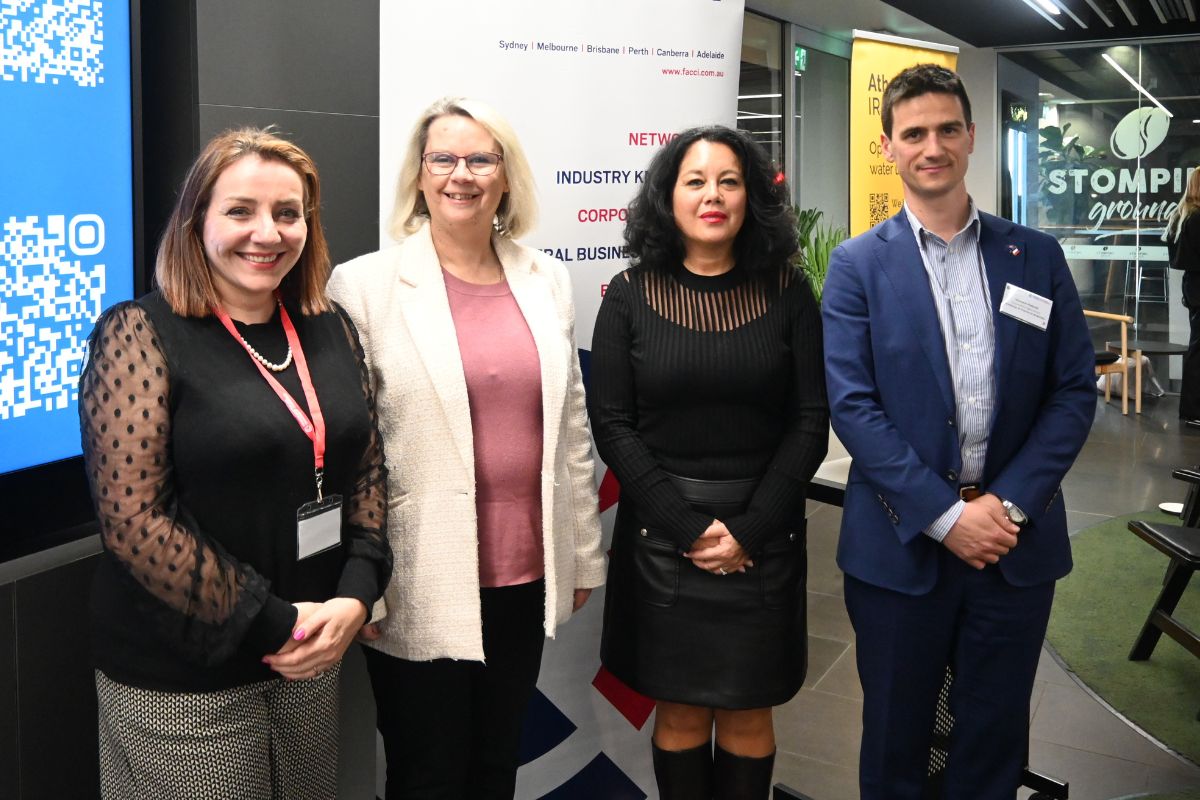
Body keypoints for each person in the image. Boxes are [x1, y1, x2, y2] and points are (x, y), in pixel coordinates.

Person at [79, 128, 393, 799]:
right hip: (186, 676)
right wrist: (277, 622)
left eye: (288, 213)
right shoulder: (139, 333)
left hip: (312, 650)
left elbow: (366, 467)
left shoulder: (331, 326)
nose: (267, 233)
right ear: (196, 222)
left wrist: (357, 592)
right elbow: (134, 523)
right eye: (240, 211)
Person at [822, 64, 1095, 798]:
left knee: (992, 740)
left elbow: (1073, 390)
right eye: (914, 134)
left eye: (947, 129)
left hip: (1013, 545)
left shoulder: (1035, 256)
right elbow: (853, 407)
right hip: (899, 547)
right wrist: (946, 518)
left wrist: (1006, 507)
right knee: (895, 739)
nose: (932, 147)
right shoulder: (856, 267)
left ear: (972, 136)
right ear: (889, 147)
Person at [326, 97, 605, 800]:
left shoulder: (545, 278)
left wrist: (581, 551)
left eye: (481, 159)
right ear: (419, 175)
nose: (462, 174)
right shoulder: (364, 286)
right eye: (443, 159)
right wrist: (361, 586)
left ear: (506, 177)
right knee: (427, 774)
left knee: (495, 764)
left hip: (523, 571)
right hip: (415, 575)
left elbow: (571, 426)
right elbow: (346, 451)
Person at [589, 125, 829, 799]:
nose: (713, 195)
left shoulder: (788, 292)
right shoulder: (629, 295)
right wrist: (689, 529)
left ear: (752, 197)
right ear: (668, 198)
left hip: (764, 535)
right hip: (663, 539)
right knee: (681, 710)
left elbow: (810, 420)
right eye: (695, 181)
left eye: (729, 181)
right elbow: (613, 426)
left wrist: (749, 530)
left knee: (750, 712)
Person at [1163, 167, 1200, 424]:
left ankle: (1191, 409)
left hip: (1193, 286)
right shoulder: (1196, 218)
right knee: (1198, 350)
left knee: (1197, 347)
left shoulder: (1182, 214)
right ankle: (1193, 410)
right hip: (1198, 286)